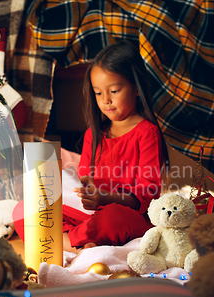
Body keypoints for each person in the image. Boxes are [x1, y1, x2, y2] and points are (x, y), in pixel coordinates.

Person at [62, 40, 170, 250]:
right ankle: (84, 241)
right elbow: (84, 179)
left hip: (126, 215)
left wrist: (104, 197)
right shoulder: (93, 135)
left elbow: (147, 196)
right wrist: (83, 191)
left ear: (136, 88)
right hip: (89, 216)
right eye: (99, 93)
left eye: (114, 90)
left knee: (114, 218)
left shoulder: (147, 132)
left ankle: (66, 242)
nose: (105, 101)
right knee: (25, 210)